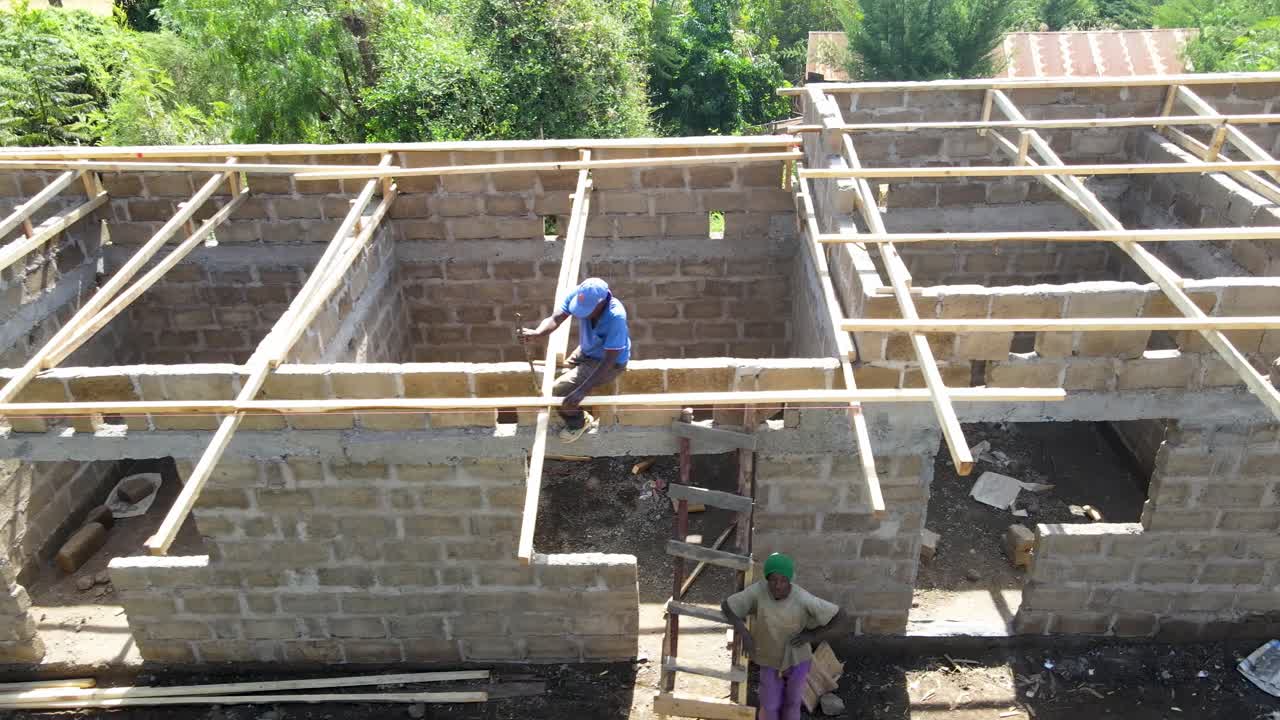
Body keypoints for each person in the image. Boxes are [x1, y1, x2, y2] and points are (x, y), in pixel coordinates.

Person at [721, 552, 848, 720]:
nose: (778, 585)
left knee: (793, 702)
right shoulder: (759, 591)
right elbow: (727, 606)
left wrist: (812, 635)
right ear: (767, 579)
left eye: (783, 580)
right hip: (769, 659)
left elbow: (841, 615)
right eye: (773, 580)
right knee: (770, 704)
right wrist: (744, 633)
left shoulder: (802, 598)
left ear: (790, 580)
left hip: (798, 658)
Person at [519, 277, 630, 443]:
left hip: (609, 362)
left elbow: (609, 360)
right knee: (560, 376)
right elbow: (556, 318)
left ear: (601, 302)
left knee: (559, 390)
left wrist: (582, 390)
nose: (583, 312)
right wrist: (538, 333)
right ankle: (574, 404)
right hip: (587, 350)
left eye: (588, 310)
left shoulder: (615, 317)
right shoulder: (580, 294)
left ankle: (579, 421)